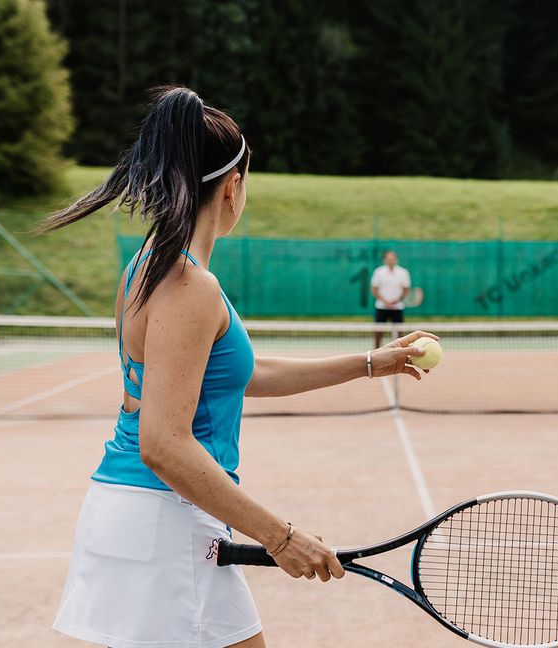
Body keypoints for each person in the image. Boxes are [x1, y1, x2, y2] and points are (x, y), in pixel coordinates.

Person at [39, 86, 436, 648]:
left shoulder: (150, 265)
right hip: (166, 523)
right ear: (233, 187)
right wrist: (281, 536)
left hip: (147, 517)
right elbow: (163, 443)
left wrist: (372, 363)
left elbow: (244, 376)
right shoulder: (188, 286)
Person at [370, 250, 411, 348]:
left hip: (397, 308)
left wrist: (396, 301)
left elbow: (406, 290)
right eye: (388, 259)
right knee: (378, 332)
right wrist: (385, 301)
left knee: (399, 333)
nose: (390, 261)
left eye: (392, 259)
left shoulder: (403, 272)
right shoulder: (379, 272)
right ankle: (376, 352)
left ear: (396, 260)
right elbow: (374, 289)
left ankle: (399, 353)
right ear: (385, 260)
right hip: (381, 307)